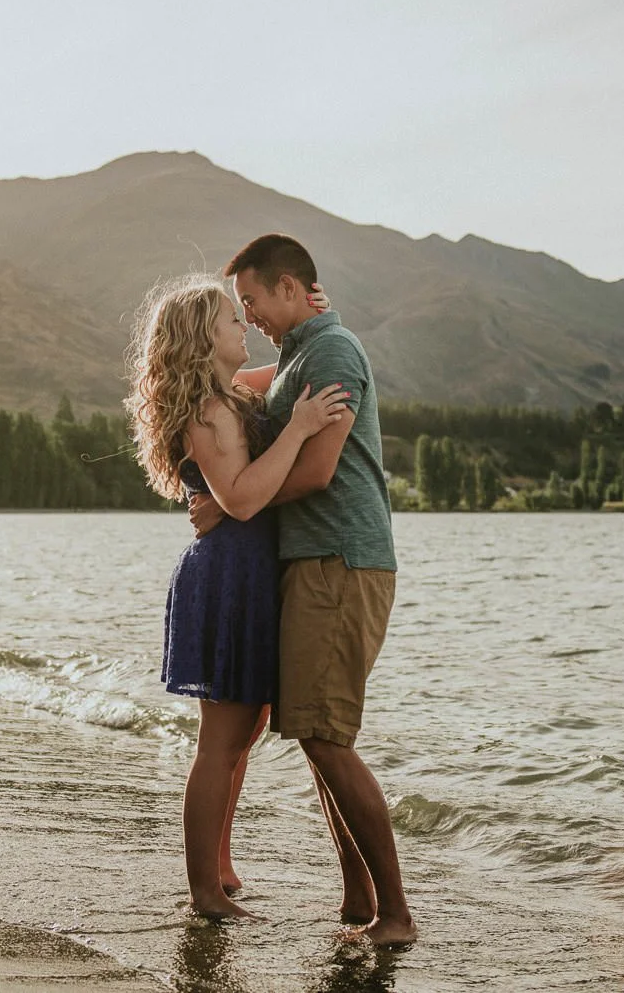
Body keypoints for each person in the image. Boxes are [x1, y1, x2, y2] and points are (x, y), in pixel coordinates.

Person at [191, 233, 417, 946]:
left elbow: (318, 471)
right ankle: (358, 898)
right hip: (312, 562)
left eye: (252, 300)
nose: (248, 314)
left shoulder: (331, 353)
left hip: (341, 561)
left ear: (288, 288)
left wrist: (234, 501)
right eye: (239, 309)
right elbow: (227, 391)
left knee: (324, 735)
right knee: (317, 736)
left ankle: (397, 914)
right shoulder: (300, 353)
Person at [124, 275, 347, 919]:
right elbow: (244, 496)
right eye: (230, 319)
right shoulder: (206, 409)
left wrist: (312, 321)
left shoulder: (227, 393)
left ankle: (218, 866)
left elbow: (288, 369)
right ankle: (203, 891)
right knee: (220, 743)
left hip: (245, 570)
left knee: (239, 737)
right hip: (228, 578)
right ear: (203, 338)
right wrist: (301, 428)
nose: (243, 324)